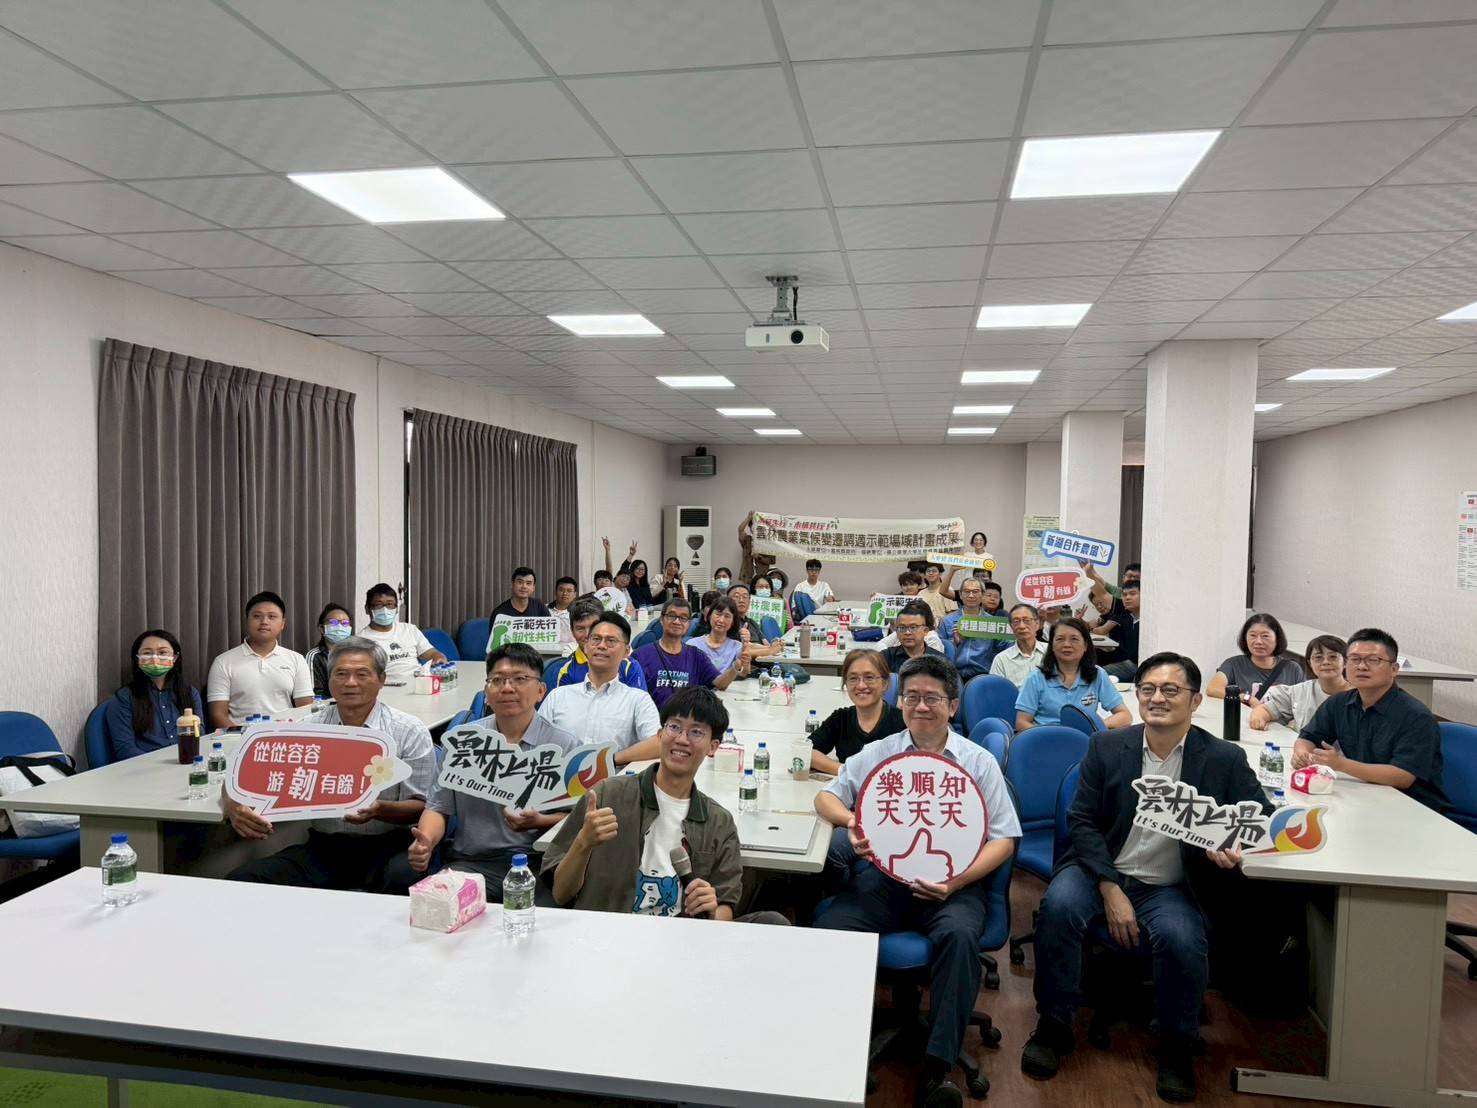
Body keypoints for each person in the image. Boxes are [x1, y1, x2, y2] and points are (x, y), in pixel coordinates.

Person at [1023, 652, 1272, 1103]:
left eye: (1170, 690)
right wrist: (1109, 886)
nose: (1157, 699)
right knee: (1058, 909)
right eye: (1147, 690)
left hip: (1169, 884)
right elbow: (1081, 821)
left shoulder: (1222, 758)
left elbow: (1263, 820)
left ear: (1196, 701)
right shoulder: (1107, 747)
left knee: (1183, 940)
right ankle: (1053, 1024)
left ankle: (1176, 1047)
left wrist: (1232, 842)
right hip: (1101, 869)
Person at [815, 655, 1021, 1106]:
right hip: (888, 882)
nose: (920, 707)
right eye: (911, 698)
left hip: (954, 887)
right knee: (829, 932)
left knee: (960, 938)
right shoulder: (880, 753)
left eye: (932, 698)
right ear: (901, 701)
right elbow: (826, 797)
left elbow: (1005, 839)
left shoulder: (978, 762)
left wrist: (958, 881)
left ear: (952, 705)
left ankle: (938, 1067)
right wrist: (851, 821)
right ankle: (830, 1051)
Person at [544, 686, 787, 924]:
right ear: (660, 734)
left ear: (713, 747)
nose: (681, 739)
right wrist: (583, 844)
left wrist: (711, 912)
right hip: (611, 937)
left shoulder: (718, 821)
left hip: (681, 943)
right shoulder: (608, 796)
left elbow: (725, 906)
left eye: (696, 732)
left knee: (774, 922)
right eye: (674, 727)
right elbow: (560, 893)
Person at [225, 638, 435, 893]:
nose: (350, 683)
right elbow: (242, 774)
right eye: (341, 674)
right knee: (244, 879)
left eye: (362, 674)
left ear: (381, 679)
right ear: (329, 679)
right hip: (324, 848)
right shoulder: (307, 730)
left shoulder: (408, 730)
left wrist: (380, 809)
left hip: (389, 846)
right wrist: (234, 804)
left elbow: (421, 806)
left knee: (405, 881)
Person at [391, 643, 575, 904]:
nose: (508, 688)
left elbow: (576, 819)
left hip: (539, 864)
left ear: (540, 691)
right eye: (497, 680)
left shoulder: (564, 746)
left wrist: (538, 822)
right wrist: (426, 842)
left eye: (520, 679)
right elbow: (438, 807)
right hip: (472, 864)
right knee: (437, 911)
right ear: (486, 693)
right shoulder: (464, 741)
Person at [1293, 628, 1447, 811]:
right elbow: (1309, 737)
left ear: (1394, 669)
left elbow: (1403, 776)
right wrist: (1303, 755)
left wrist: (1341, 764)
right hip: (1363, 795)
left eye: (1373, 660)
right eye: (1355, 659)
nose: (1362, 666)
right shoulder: (1339, 703)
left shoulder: (1416, 716)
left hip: (1413, 807)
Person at [538, 612, 662, 767]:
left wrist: (608, 760)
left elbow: (658, 743)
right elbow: (534, 743)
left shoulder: (637, 700)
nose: (602, 646)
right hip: (560, 785)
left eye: (611, 641)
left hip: (614, 786)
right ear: (586, 646)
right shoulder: (557, 696)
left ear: (626, 651)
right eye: (596, 639)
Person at [205, 591, 314, 728]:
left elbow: (305, 709)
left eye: (272, 617)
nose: (264, 622)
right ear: (247, 621)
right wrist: (246, 738)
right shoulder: (223, 662)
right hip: (239, 739)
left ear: (282, 624)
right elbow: (218, 715)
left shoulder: (296, 660)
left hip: (284, 736)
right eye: (257, 616)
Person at [105, 630, 205, 761]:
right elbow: (125, 750)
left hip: (187, 764)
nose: (155, 658)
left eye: (162, 652)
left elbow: (200, 736)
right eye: (147, 653)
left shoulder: (190, 693)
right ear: (138, 658)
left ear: (174, 657)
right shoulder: (123, 698)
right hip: (145, 770)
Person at [1016, 617, 1130, 731]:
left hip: (1086, 740)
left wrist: (1095, 727)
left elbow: (1124, 716)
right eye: (1060, 639)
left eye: (1074, 639)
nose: (1067, 644)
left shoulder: (1097, 674)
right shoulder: (1036, 678)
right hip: (1048, 740)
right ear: (1051, 646)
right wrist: (1050, 736)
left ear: (1085, 645)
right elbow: (1021, 723)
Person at [809, 650, 904, 775]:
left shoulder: (902, 723)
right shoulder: (841, 718)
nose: (861, 685)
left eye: (869, 677)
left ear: (885, 684)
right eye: (853, 678)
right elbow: (807, 752)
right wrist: (845, 771)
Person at [633, 598, 738, 707]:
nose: (677, 621)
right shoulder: (641, 656)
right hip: (653, 721)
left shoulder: (697, 655)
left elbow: (720, 684)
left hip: (687, 721)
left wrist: (737, 664)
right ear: (661, 619)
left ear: (689, 623)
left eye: (683, 618)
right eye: (672, 616)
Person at [1249, 634, 1349, 732]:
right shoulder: (1301, 690)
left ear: (1345, 662)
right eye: (1318, 657)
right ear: (1310, 663)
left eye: (1333, 657)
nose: (1326, 662)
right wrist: (1258, 718)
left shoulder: (1359, 695)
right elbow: (1266, 709)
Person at [546, 597, 648, 692]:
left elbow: (638, 708)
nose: (587, 635)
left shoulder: (628, 666)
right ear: (572, 631)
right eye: (580, 629)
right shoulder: (567, 672)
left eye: (593, 627)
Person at [1207, 613, 1305, 700]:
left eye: (1265, 636)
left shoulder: (1293, 669)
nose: (1258, 641)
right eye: (1253, 635)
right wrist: (1246, 698)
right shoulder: (1233, 664)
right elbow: (1213, 689)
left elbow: (1303, 702)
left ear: (1277, 639)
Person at [360, 582, 444, 684]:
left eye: (390, 604)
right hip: (388, 689)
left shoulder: (409, 629)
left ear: (396, 609)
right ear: (367, 609)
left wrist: (438, 657)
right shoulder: (361, 640)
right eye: (379, 605)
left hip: (419, 683)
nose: (385, 609)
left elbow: (431, 653)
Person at [941, 577, 1002, 682]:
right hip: (953, 676)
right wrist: (954, 643)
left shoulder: (992, 623)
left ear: (982, 595)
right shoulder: (948, 621)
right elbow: (939, 651)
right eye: (967, 591)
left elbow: (1005, 648)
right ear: (960, 595)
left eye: (975, 591)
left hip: (983, 675)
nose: (971, 595)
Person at [686, 594, 750, 678]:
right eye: (718, 614)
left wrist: (746, 646)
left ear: (733, 622)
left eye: (727, 616)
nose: (721, 620)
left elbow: (743, 673)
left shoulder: (737, 647)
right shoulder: (692, 645)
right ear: (709, 616)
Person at [881, 600, 947, 673]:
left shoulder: (940, 660)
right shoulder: (885, 657)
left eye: (913, 627)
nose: (907, 632)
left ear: (925, 631)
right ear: (896, 630)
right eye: (902, 628)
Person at [990, 604, 1048, 687]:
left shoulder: (1051, 651)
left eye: (1026, 620)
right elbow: (996, 691)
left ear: (1037, 624)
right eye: (1016, 621)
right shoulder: (1001, 659)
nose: (1022, 626)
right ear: (1011, 627)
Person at [304, 602, 352, 699]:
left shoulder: (358, 654)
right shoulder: (315, 656)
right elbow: (315, 695)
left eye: (345, 623)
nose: (340, 627)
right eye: (334, 622)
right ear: (322, 628)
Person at [728, 583, 784, 664]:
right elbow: (744, 648)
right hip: (749, 666)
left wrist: (775, 644)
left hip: (766, 661)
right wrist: (771, 650)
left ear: (750, 601)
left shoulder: (752, 622)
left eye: (745, 597)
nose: (741, 600)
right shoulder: (729, 623)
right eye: (736, 596)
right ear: (728, 601)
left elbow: (766, 643)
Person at [1102, 580, 1142, 681]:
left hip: (1139, 665)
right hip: (1126, 660)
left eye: (1132, 594)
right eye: (1124, 595)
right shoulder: (1128, 617)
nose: (1127, 598)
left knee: (1099, 674)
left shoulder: (1148, 622)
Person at [737, 509, 776, 583]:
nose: (756, 528)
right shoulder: (747, 539)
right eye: (754, 526)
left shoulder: (769, 543)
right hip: (747, 577)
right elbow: (740, 530)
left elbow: (772, 561)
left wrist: (758, 557)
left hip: (762, 576)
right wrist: (749, 518)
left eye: (758, 526)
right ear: (751, 528)